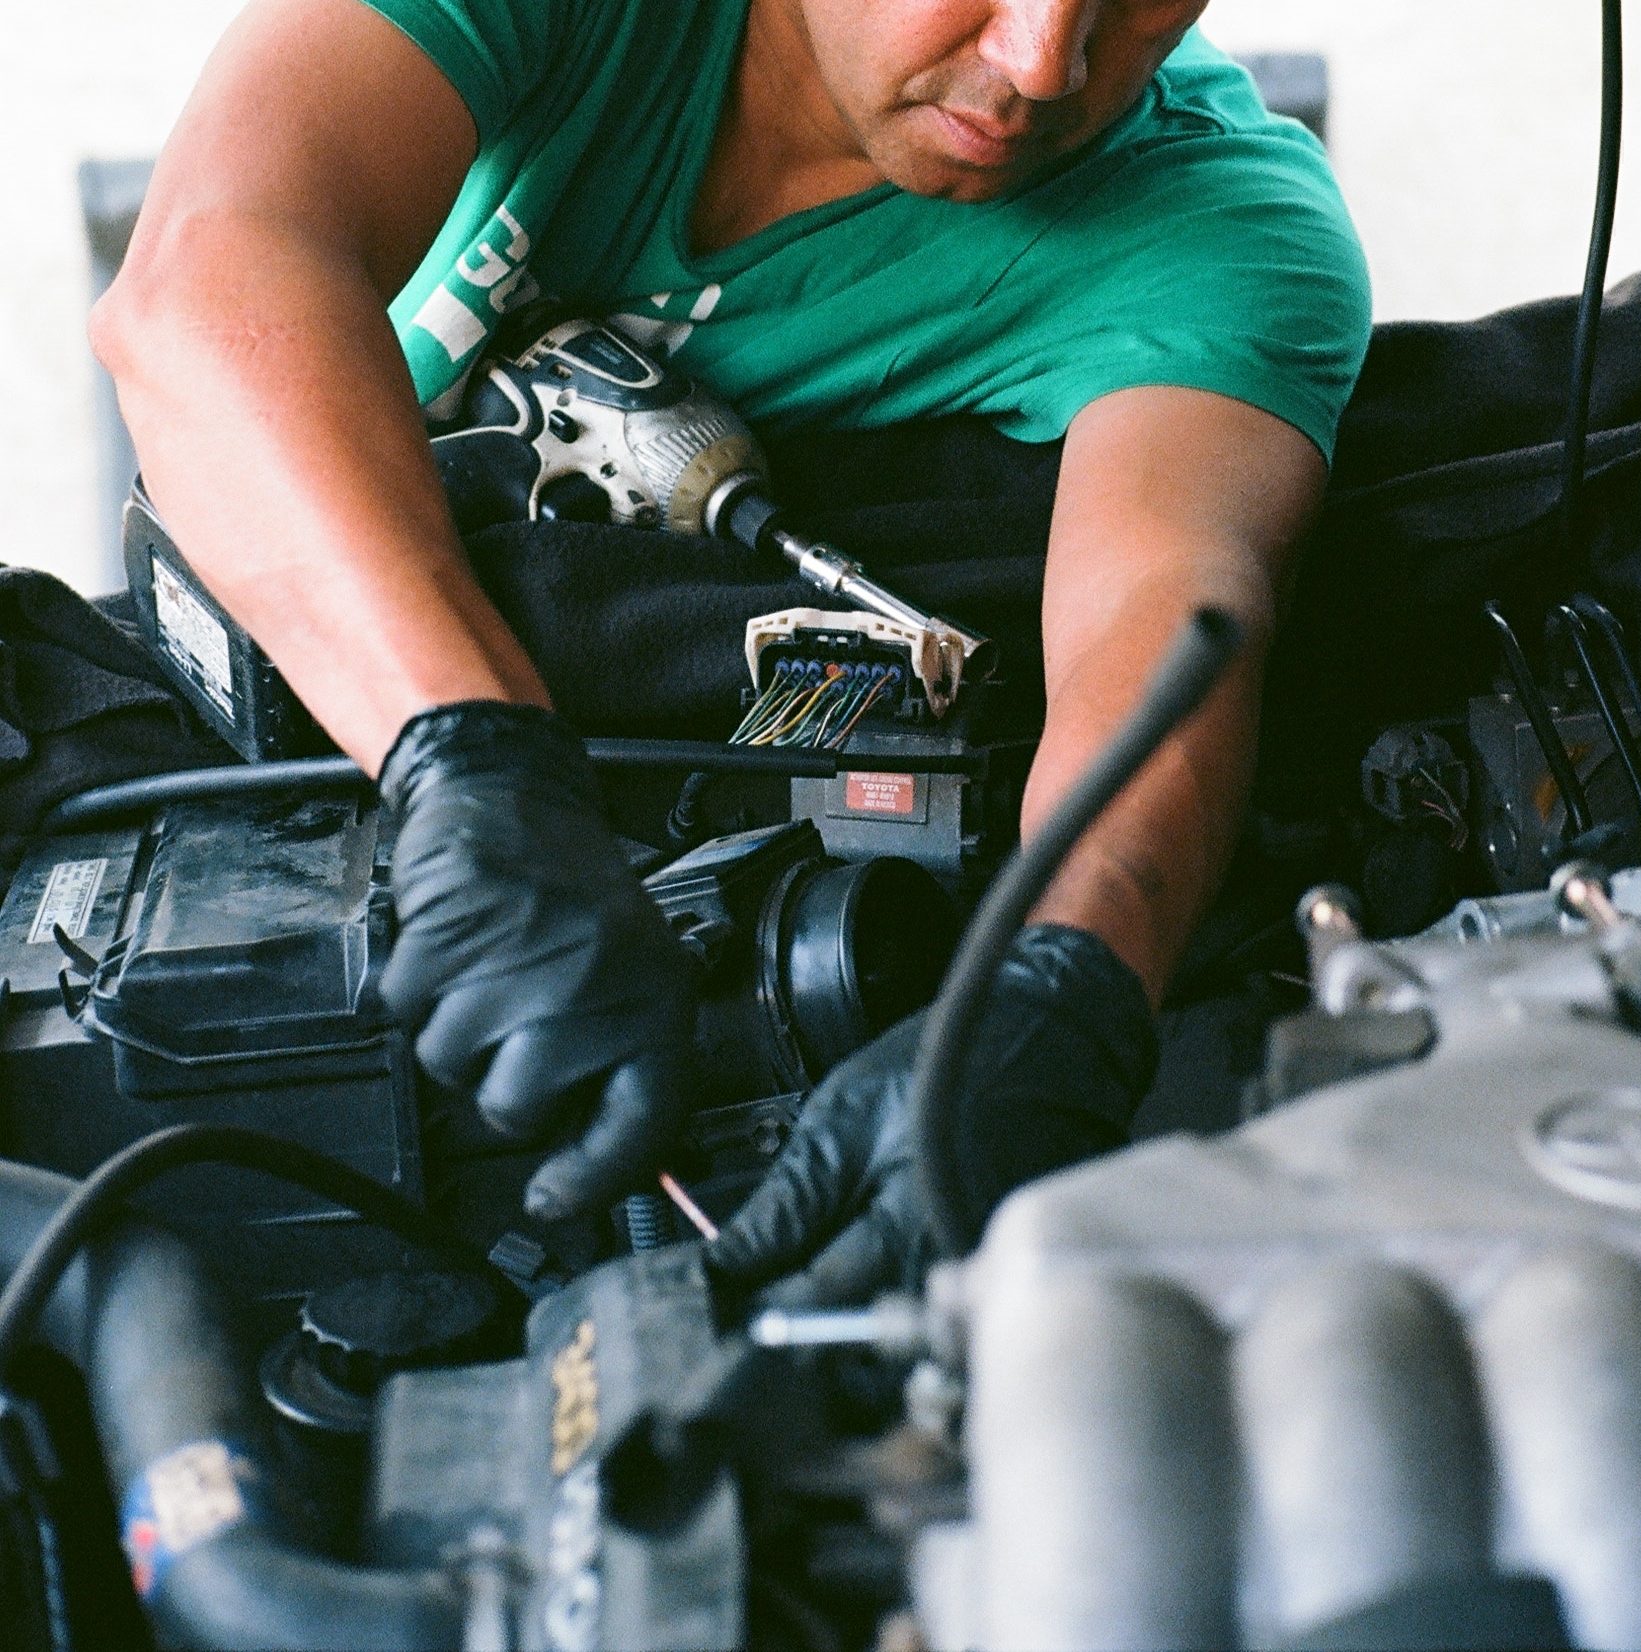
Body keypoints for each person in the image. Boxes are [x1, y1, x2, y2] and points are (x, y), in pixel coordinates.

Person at [90, 0, 1369, 1300]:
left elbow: (1161, 622)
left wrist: (1066, 992)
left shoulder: (1227, 233)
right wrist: (471, 763)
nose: (1042, 61)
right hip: (301, 754)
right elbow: (205, 278)